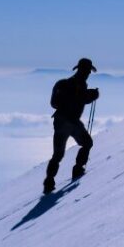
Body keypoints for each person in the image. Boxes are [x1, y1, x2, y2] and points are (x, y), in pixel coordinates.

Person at [43, 58, 100, 194]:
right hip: (71, 122)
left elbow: (56, 103)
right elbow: (81, 98)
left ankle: (49, 182)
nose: (88, 74)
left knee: (58, 154)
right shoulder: (79, 85)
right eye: (88, 71)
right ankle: (78, 169)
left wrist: (89, 95)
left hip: (61, 121)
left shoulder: (65, 84)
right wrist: (91, 95)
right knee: (87, 143)